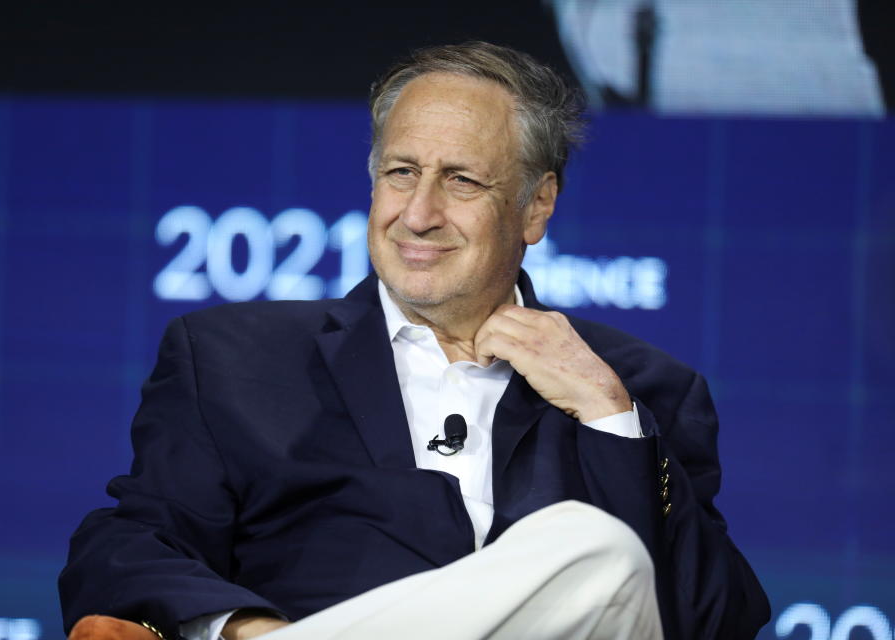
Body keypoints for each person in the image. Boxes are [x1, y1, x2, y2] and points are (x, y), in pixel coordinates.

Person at [59, 42, 770, 639]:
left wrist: (613, 420)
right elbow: (125, 544)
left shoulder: (639, 387)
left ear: (536, 205)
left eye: (460, 180)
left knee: (600, 553)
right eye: (402, 173)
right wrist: (241, 626)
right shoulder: (234, 356)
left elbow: (717, 622)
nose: (419, 214)